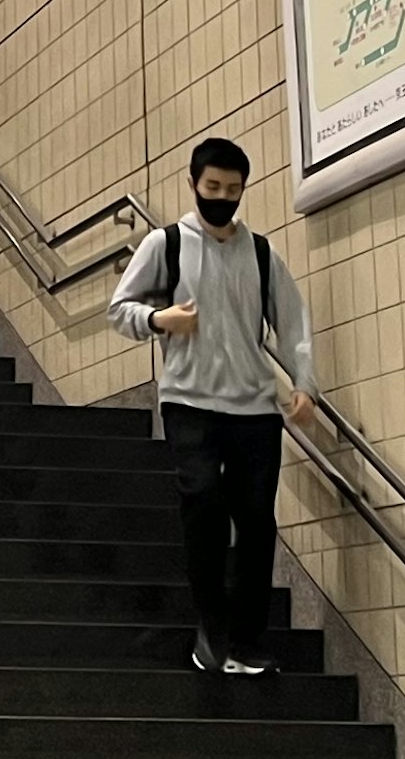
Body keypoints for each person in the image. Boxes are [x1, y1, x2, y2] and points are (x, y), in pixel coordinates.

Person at [107, 137, 317, 675]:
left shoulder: (263, 253)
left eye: (233, 189)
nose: (222, 197)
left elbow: (292, 322)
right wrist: (160, 320)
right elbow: (120, 308)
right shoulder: (166, 243)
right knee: (201, 503)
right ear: (194, 184)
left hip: (255, 408)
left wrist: (304, 384)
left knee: (255, 522)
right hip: (190, 402)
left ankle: (246, 641)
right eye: (212, 187)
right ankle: (212, 628)